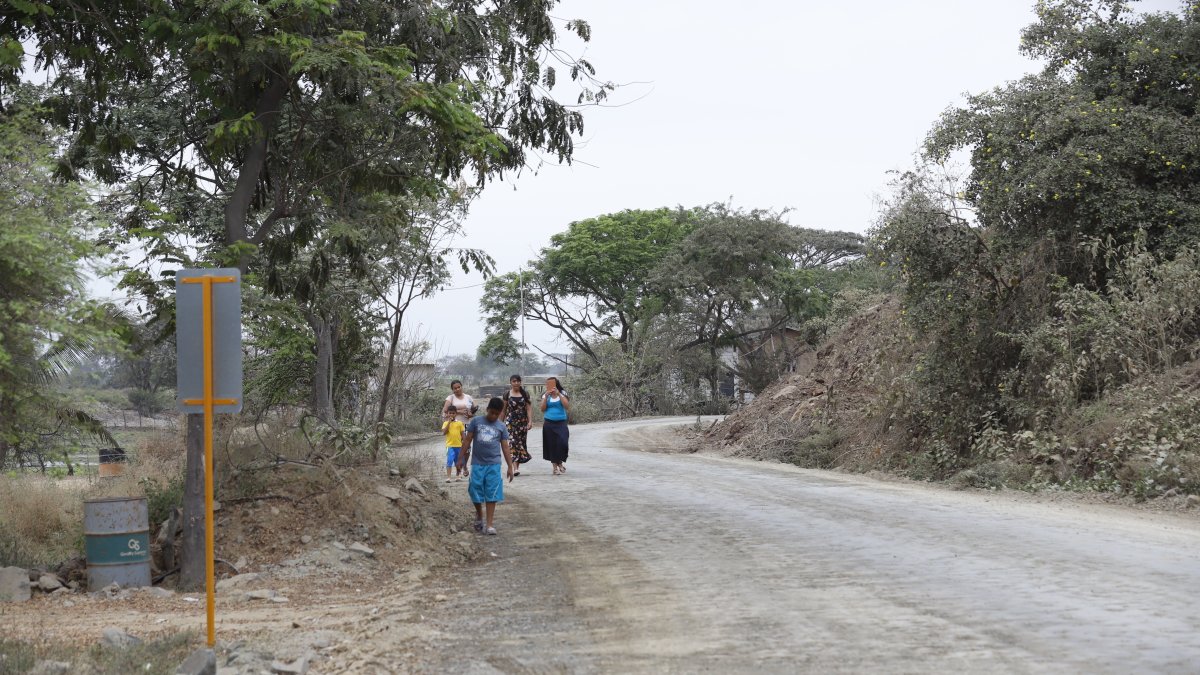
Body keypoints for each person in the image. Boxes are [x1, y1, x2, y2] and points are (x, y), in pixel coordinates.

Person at [457, 397, 515, 535]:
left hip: (494, 464)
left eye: (497, 413)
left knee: (492, 493)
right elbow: (467, 441)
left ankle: (489, 525)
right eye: (492, 412)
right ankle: (479, 514)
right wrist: (460, 459)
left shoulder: (501, 426)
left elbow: (506, 448)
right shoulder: (476, 422)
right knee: (474, 490)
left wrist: (510, 466)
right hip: (477, 463)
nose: (493, 416)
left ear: (501, 413)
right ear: (487, 409)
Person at [501, 375, 533, 476]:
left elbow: (528, 408)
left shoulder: (525, 394)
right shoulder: (507, 394)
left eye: (518, 381)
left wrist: (530, 421)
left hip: (522, 422)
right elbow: (503, 410)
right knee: (513, 443)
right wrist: (499, 423)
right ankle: (514, 468)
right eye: (514, 381)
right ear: (510, 382)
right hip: (510, 422)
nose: (516, 383)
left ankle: (516, 468)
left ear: (520, 382)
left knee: (521, 444)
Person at [540, 376, 571, 475]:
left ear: (556, 384)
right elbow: (542, 409)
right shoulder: (545, 395)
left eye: (551, 384)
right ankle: (555, 467)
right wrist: (546, 397)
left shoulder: (562, 393)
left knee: (562, 443)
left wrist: (559, 394)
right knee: (552, 445)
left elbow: (566, 406)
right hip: (549, 423)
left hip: (561, 422)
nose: (548, 386)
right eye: (547, 384)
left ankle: (560, 463)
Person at [442, 405, 466, 483]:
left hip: (459, 446)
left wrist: (465, 444)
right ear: (447, 414)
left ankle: (458, 476)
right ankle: (448, 477)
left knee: (458, 462)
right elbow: (444, 432)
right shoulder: (445, 423)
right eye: (450, 413)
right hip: (450, 446)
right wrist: (449, 422)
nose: (451, 415)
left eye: (453, 413)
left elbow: (463, 434)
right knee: (449, 461)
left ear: (456, 414)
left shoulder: (460, 423)